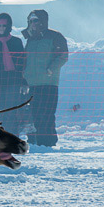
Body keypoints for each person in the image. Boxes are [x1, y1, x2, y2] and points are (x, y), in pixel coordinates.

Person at [22, 10, 69, 147]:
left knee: (47, 113)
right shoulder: (30, 39)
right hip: (32, 83)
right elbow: (25, 60)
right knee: (35, 113)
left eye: (36, 20)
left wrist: (51, 69)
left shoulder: (55, 36)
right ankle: (35, 141)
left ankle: (48, 142)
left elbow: (63, 56)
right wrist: (24, 76)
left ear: (43, 20)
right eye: (30, 21)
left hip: (49, 82)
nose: (33, 24)